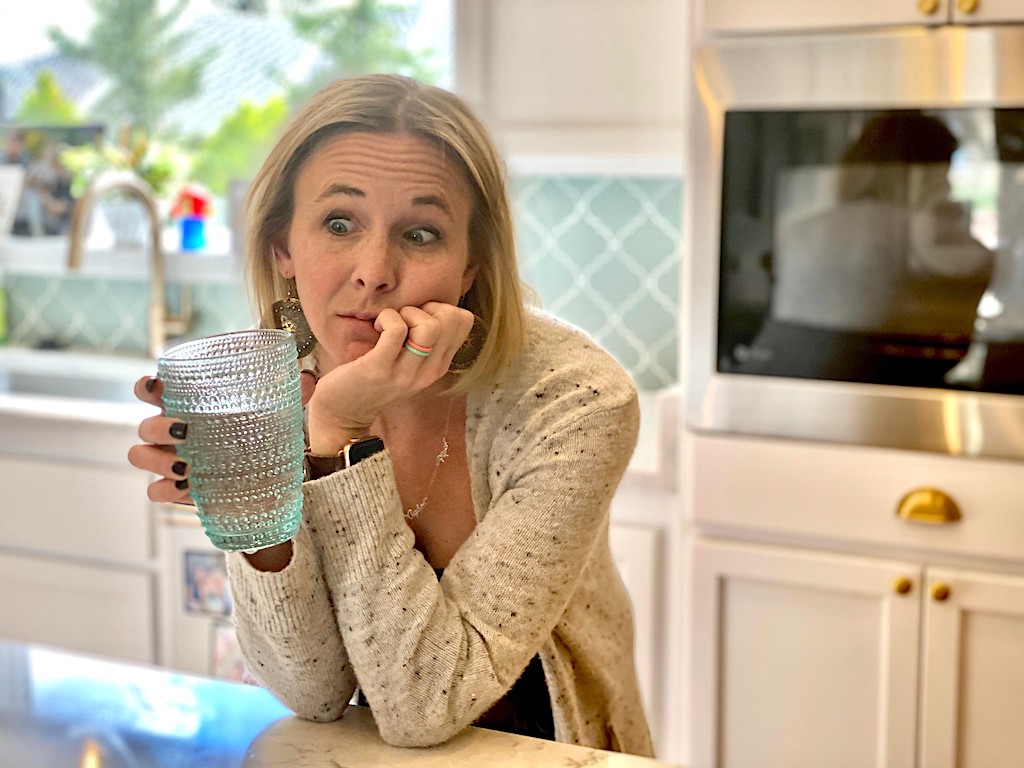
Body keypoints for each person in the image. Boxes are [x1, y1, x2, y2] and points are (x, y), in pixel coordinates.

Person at [127, 74, 654, 756]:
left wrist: (338, 436)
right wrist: (259, 521)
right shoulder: (267, 388)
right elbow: (310, 691)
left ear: (471, 265)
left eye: (422, 233)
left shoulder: (575, 401)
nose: (374, 271)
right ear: (283, 247)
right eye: (339, 223)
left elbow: (423, 705)